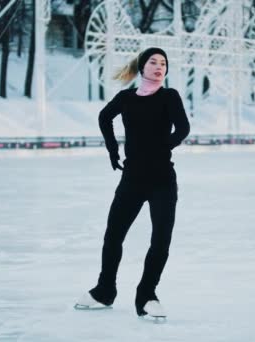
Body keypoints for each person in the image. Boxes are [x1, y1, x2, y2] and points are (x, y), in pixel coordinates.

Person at [74, 47, 190, 319]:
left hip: (162, 179)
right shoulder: (127, 98)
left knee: (160, 240)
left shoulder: (169, 97)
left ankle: (146, 295)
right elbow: (105, 117)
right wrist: (112, 150)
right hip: (132, 179)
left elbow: (183, 128)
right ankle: (104, 291)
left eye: (163, 63)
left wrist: (164, 146)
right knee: (113, 235)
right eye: (153, 62)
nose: (159, 67)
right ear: (142, 67)